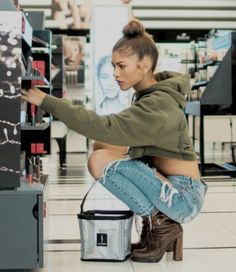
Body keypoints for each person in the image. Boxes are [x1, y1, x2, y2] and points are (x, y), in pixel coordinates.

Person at [21, 19, 207, 263]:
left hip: (182, 196)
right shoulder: (151, 98)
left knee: (98, 160)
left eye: (121, 66)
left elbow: (104, 126)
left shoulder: (157, 104)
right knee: (102, 147)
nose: (115, 73)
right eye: (113, 66)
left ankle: (161, 225)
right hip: (177, 187)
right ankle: (158, 223)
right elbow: (109, 136)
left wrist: (47, 101)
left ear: (144, 65)